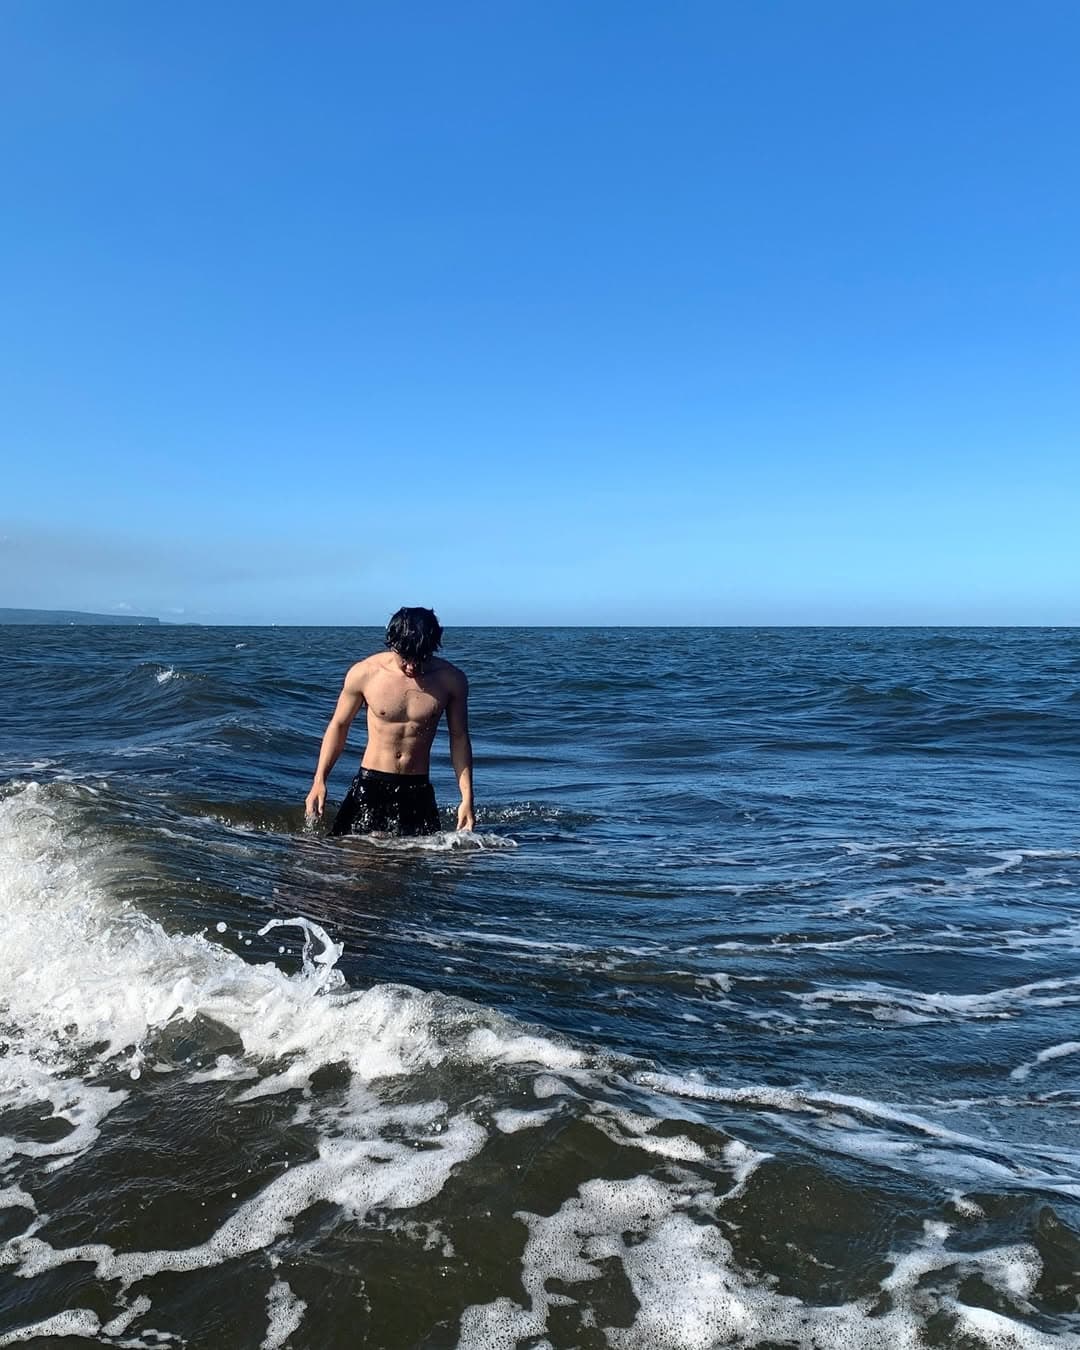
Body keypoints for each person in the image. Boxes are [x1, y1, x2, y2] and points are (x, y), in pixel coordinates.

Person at [305, 607, 474, 836]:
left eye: (421, 658)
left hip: (418, 790)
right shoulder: (365, 674)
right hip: (371, 784)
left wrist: (466, 797)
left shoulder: (451, 680)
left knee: (415, 865)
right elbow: (339, 725)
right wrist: (319, 780)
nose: (412, 667)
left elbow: (459, 737)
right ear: (392, 645)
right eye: (405, 658)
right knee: (350, 861)